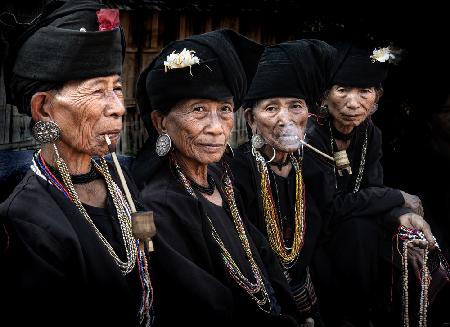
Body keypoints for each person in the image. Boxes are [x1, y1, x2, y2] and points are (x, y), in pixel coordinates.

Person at [132, 29, 300, 326]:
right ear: (161, 122)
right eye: (199, 110)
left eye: (224, 110)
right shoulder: (161, 204)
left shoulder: (220, 177)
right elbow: (207, 305)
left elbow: (259, 253)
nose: (216, 127)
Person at [0, 1, 153, 326]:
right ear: (43, 108)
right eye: (97, 91)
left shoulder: (116, 177)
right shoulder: (28, 217)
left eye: (117, 88)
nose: (119, 108)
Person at [307, 41, 437, 326]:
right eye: (342, 90)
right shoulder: (310, 136)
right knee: (359, 229)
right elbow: (330, 208)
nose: (353, 103)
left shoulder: (370, 134)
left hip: (357, 242)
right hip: (316, 239)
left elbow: (370, 190)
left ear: (376, 98)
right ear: (325, 96)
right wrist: (398, 197)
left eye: (364, 92)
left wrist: (401, 215)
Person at [229, 39, 336, 326]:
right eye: (272, 108)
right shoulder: (235, 174)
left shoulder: (314, 167)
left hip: (310, 296)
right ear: (251, 119)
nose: (285, 119)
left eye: (295, 106)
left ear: (307, 115)